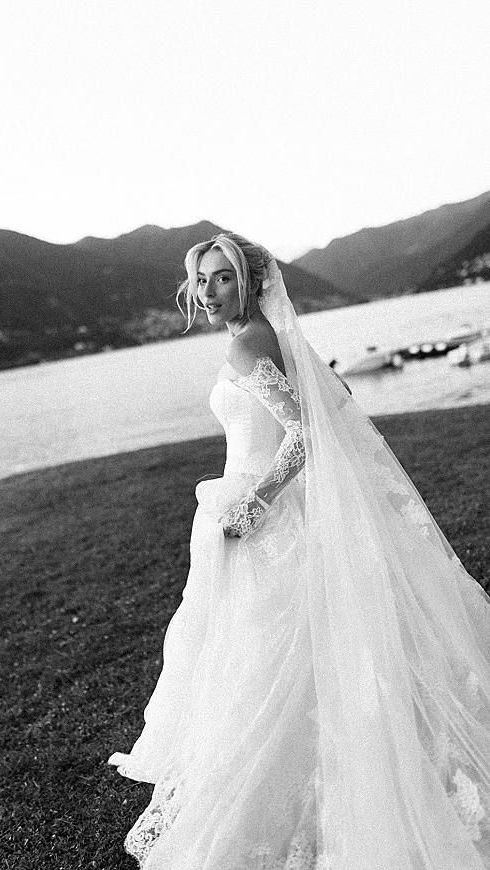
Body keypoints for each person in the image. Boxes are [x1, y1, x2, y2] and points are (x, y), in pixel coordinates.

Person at [109, 233, 490, 870]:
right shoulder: (271, 336)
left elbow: (305, 433)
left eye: (222, 278)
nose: (207, 292)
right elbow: (332, 401)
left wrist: (254, 503)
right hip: (284, 512)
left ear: (251, 282)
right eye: (202, 279)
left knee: (270, 664)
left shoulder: (248, 343)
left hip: (270, 518)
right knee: (286, 660)